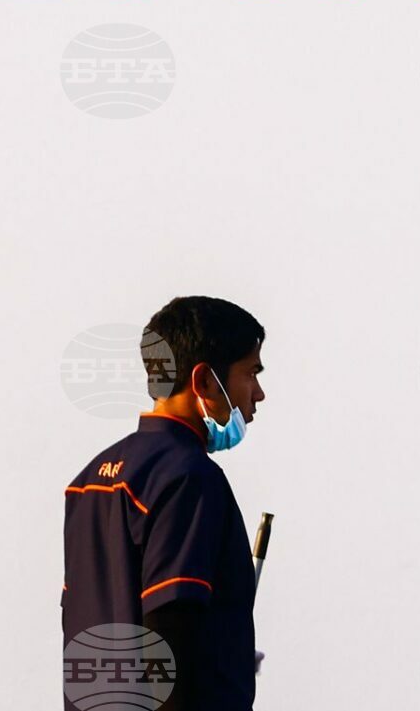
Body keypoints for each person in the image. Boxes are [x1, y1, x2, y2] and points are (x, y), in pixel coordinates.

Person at [62, 296, 266, 710]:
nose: (258, 394)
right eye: (250, 373)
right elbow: (170, 625)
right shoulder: (189, 478)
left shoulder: (88, 482)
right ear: (204, 381)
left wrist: (225, 655)